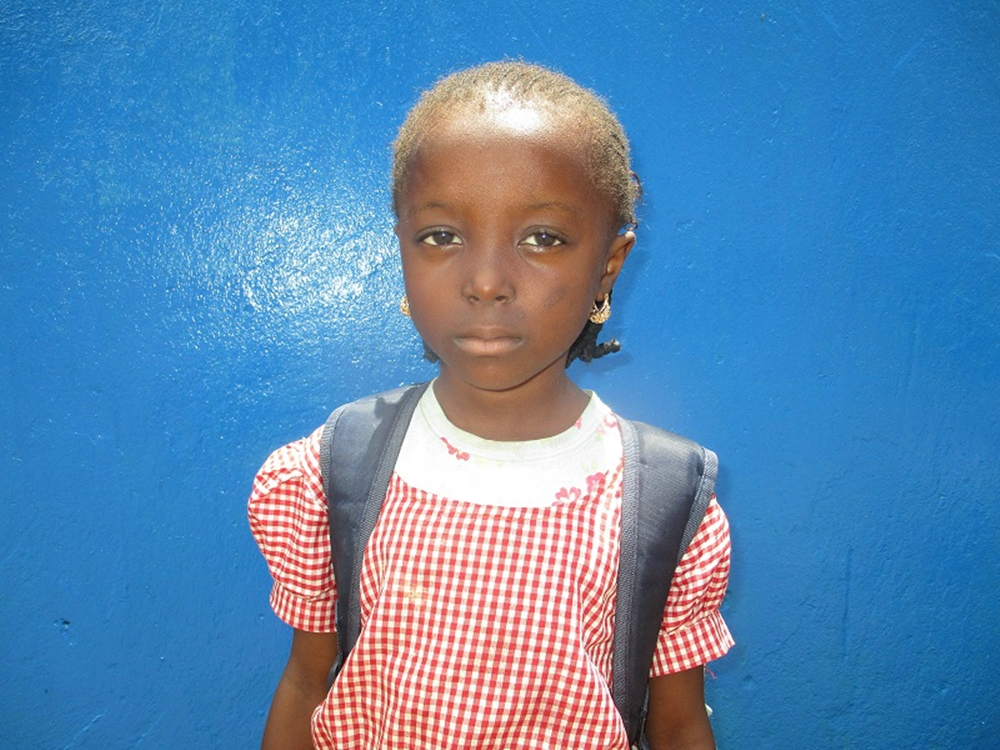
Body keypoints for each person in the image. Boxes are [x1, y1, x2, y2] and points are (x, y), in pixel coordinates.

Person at [248, 60, 733, 750]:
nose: (484, 281)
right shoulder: (331, 472)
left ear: (609, 265)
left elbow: (679, 723)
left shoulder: (663, 500)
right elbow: (306, 682)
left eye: (543, 238)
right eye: (441, 236)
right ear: (403, 252)